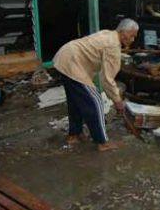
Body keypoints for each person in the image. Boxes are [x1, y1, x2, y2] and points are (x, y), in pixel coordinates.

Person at [53, 19, 139, 151]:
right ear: (123, 32)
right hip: (72, 63)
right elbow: (107, 80)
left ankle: (74, 135)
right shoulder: (113, 46)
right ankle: (102, 142)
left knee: (76, 102)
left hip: (64, 57)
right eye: (132, 35)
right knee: (96, 101)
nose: (133, 39)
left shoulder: (109, 34)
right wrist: (117, 100)